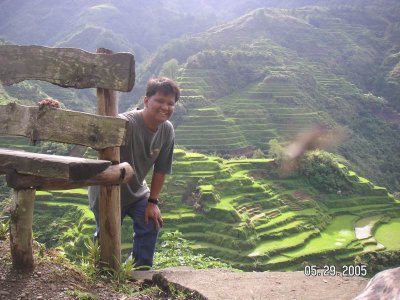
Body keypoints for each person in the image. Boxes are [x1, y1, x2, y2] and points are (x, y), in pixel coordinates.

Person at [88, 77, 180, 269]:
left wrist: (153, 202)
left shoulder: (167, 130)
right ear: (146, 101)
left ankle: (139, 272)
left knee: (151, 223)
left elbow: (161, 169)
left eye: (171, 103)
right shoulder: (124, 123)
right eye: (160, 101)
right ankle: (101, 273)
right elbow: (93, 129)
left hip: (137, 191)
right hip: (107, 190)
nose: (165, 107)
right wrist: (55, 109)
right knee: (107, 234)